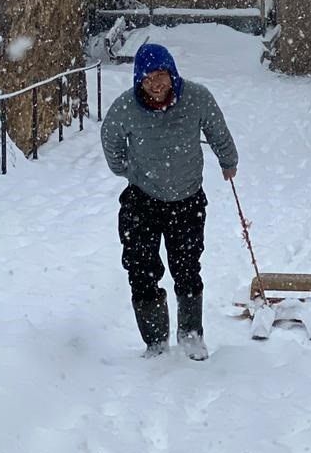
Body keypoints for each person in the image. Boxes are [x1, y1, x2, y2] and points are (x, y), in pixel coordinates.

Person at [100, 42, 238, 360]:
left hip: (187, 198)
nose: (156, 83)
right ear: (139, 81)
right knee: (141, 269)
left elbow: (217, 129)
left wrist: (227, 160)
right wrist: (126, 169)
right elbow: (110, 139)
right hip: (142, 200)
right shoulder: (125, 108)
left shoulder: (197, 97)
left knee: (187, 268)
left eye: (161, 75)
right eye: (149, 78)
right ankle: (156, 341)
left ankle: (190, 335)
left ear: (172, 74)